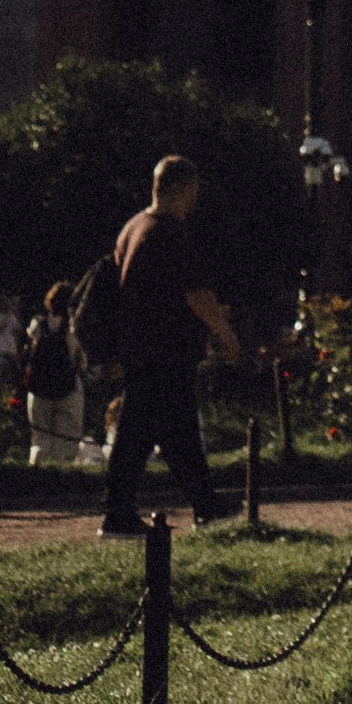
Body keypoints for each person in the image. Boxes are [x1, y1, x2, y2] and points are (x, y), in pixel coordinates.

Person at [100, 156, 237, 535]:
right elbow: (196, 294)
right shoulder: (169, 232)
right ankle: (125, 513)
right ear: (182, 188)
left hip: (140, 348)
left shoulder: (133, 228)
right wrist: (225, 332)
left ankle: (200, 504)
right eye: (193, 191)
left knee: (160, 433)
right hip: (166, 349)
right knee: (155, 433)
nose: (195, 200)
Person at [22, 284, 96, 468]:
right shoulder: (74, 328)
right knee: (67, 440)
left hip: (39, 389)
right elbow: (82, 362)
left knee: (40, 440)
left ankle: (37, 474)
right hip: (68, 388)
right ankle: (64, 478)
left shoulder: (37, 324)